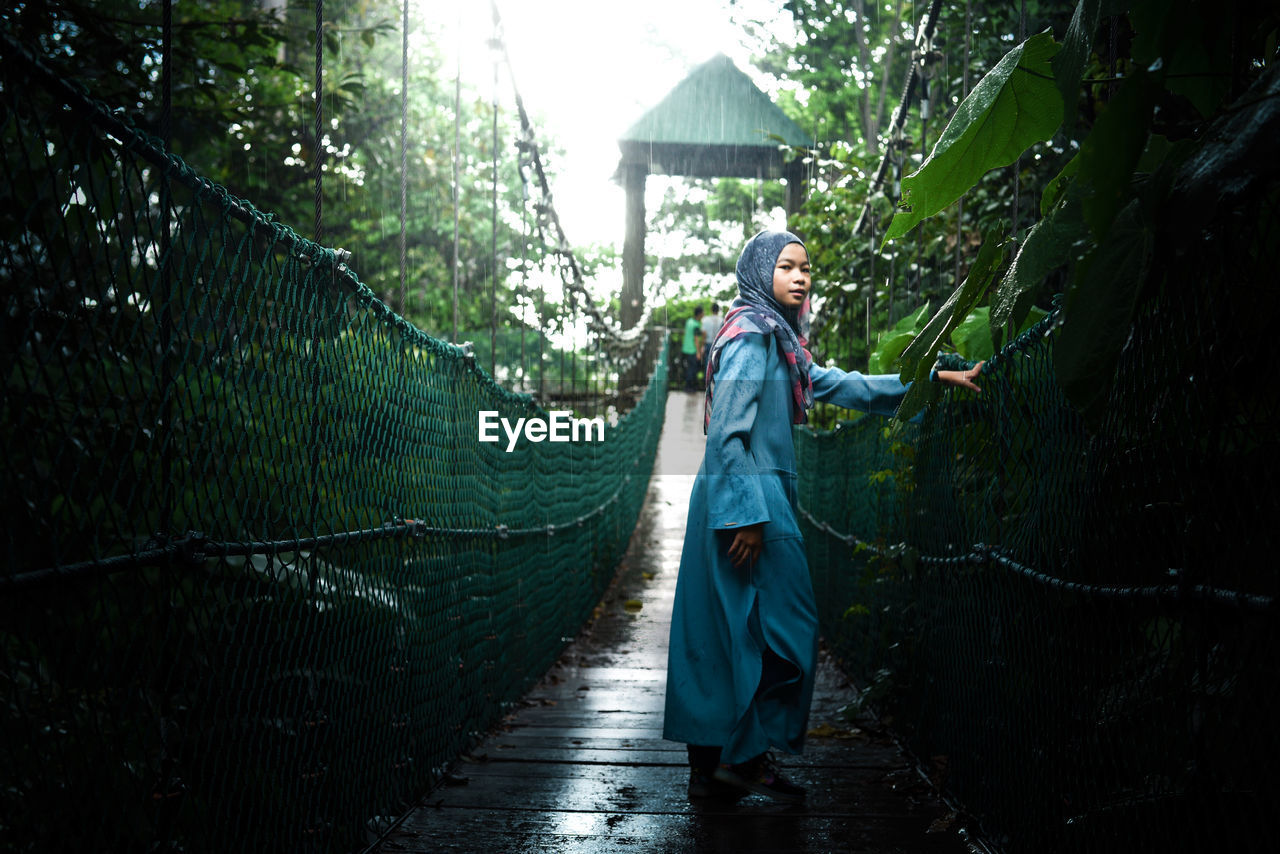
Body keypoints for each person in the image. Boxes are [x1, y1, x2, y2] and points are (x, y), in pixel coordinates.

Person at [662, 229, 983, 804]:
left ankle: (716, 769)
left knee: (731, 629)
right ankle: (739, 759)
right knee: (788, 623)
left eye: (806, 267)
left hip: (747, 495)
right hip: (747, 496)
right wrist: (748, 517)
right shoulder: (751, 337)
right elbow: (727, 434)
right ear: (760, 272)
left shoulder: (780, 341)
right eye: (786, 266)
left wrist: (930, 382)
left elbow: (841, 385)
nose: (802, 276)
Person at [681, 306, 705, 391]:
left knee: (689, 368)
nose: (704, 314)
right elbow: (696, 339)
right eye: (703, 312)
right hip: (692, 350)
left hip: (686, 348)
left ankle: (689, 386)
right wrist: (698, 353)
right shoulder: (696, 325)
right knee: (693, 369)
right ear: (699, 314)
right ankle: (689, 387)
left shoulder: (689, 321)